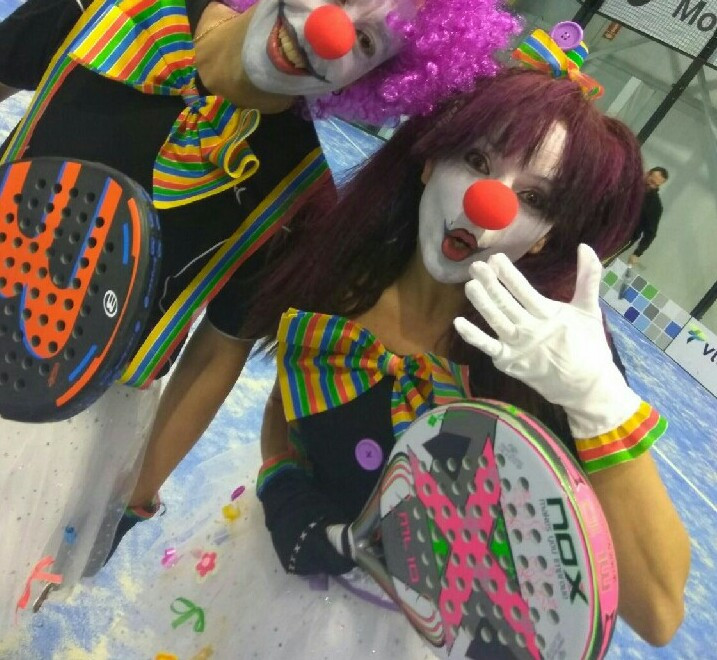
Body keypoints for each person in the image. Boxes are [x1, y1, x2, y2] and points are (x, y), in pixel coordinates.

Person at [81, 67, 688, 659]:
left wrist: (596, 398)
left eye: (532, 198)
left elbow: (658, 613)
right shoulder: (334, 272)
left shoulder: (551, 359)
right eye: (477, 160)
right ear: (429, 161)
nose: (489, 204)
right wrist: (283, 481)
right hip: (264, 594)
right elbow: (294, 400)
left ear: (545, 237)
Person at [0, 0, 520, 632]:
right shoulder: (105, 13)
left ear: (377, 77)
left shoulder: (296, 191)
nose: (328, 34)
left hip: (72, 421)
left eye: (364, 42)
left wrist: (131, 496)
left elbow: (218, 349)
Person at [626, 167, 668, 267]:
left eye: (656, 185)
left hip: (624, 238)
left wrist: (637, 253)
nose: (652, 186)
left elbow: (650, 233)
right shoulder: (629, 183)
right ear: (647, 174)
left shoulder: (655, 206)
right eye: (651, 181)